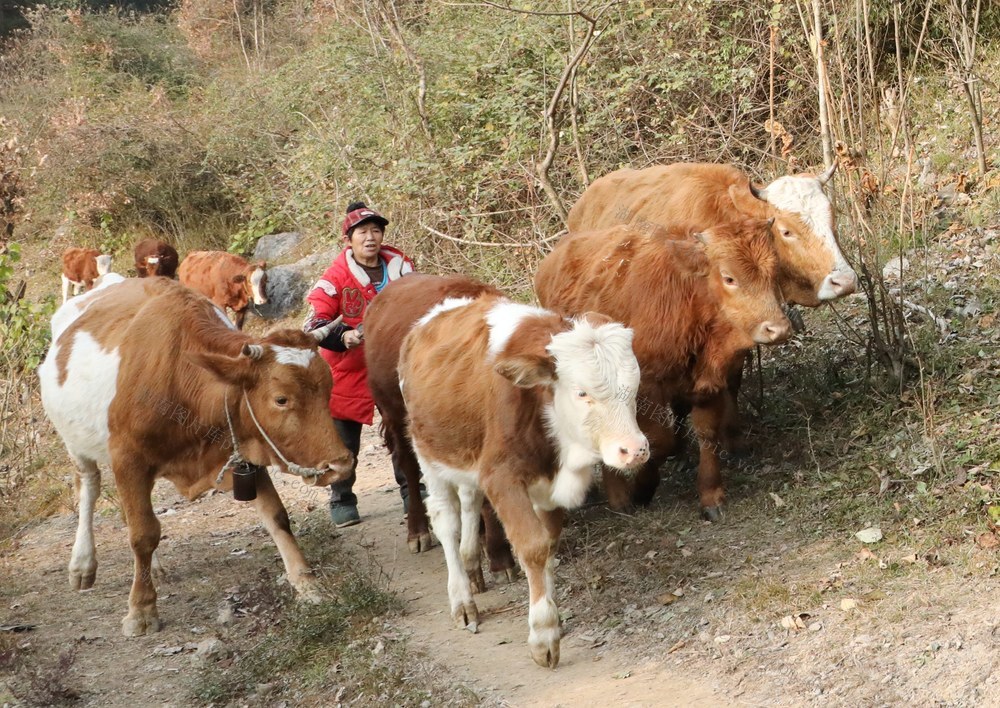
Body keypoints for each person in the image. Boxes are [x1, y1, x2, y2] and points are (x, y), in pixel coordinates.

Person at [302, 201, 417, 527]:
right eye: (363, 232)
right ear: (349, 239)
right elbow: (313, 324)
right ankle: (341, 498)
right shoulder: (333, 278)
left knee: (402, 430)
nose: (370, 237)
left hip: (396, 365)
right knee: (343, 439)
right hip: (348, 369)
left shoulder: (402, 267)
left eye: (376, 230)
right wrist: (343, 336)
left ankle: (413, 493)